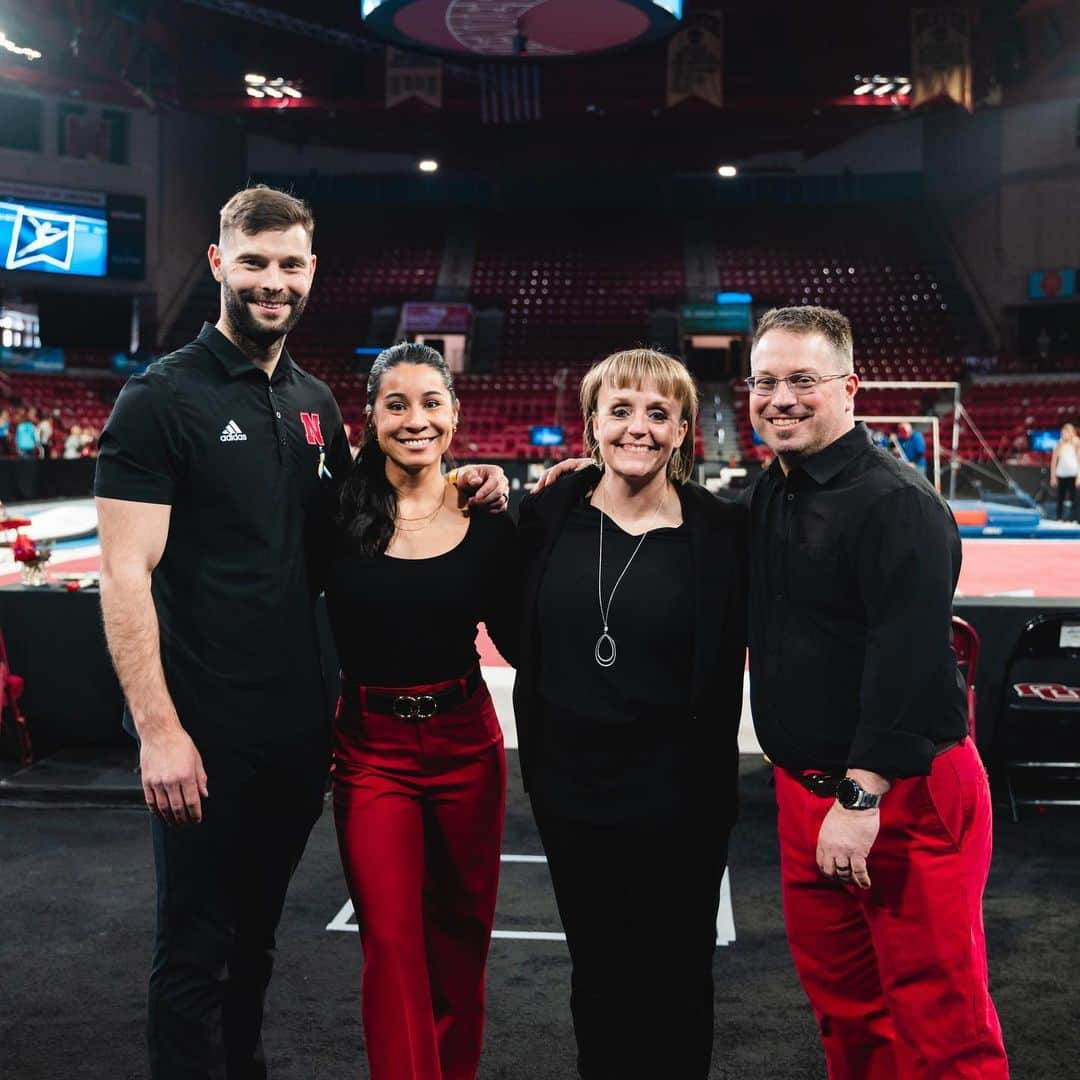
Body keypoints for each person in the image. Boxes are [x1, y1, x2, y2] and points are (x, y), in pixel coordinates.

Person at [94, 185, 508, 1080]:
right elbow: (123, 574)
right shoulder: (159, 399)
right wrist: (160, 732)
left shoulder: (315, 401)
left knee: (255, 946)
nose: (271, 281)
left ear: (312, 272)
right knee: (195, 952)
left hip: (294, 735)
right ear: (219, 264)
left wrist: (479, 481)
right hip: (200, 733)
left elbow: (389, 501)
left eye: (289, 265)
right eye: (253, 262)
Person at [745, 306, 1009, 1079]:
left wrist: (860, 802)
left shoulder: (898, 503)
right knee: (847, 1014)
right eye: (766, 382)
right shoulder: (773, 489)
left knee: (942, 1023)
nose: (781, 398)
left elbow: (911, 663)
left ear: (850, 387)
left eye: (803, 380)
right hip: (806, 794)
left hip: (901, 794)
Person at [518, 348, 747, 1079]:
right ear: (592, 425)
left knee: (679, 977)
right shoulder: (548, 514)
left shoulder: (721, 531)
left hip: (683, 797)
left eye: (658, 412)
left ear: (684, 429)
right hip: (572, 793)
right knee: (600, 972)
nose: (637, 428)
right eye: (620, 410)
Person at [326, 341, 517, 1080]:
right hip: (372, 751)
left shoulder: (486, 511)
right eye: (396, 404)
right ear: (369, 417)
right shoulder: (334, 512)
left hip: (468, 744)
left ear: (456, 414)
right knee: (394, 943)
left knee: (462, 941)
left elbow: (521, 638)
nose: (415, 419)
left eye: (431, 403)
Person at [1050, 421, 1078, 522]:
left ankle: (1074, 518)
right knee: (1060, 498)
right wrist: (1053, 477)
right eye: (1063, 433)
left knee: (1075, 498)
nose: (1064, 435)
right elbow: (1053, 462)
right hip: (1061, 475)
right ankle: (1059, 517)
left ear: (1071, 433)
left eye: (1067, 432)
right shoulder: (1058, 444)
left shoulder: (1077, 444)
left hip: (1073, 475)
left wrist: (1079, 477)